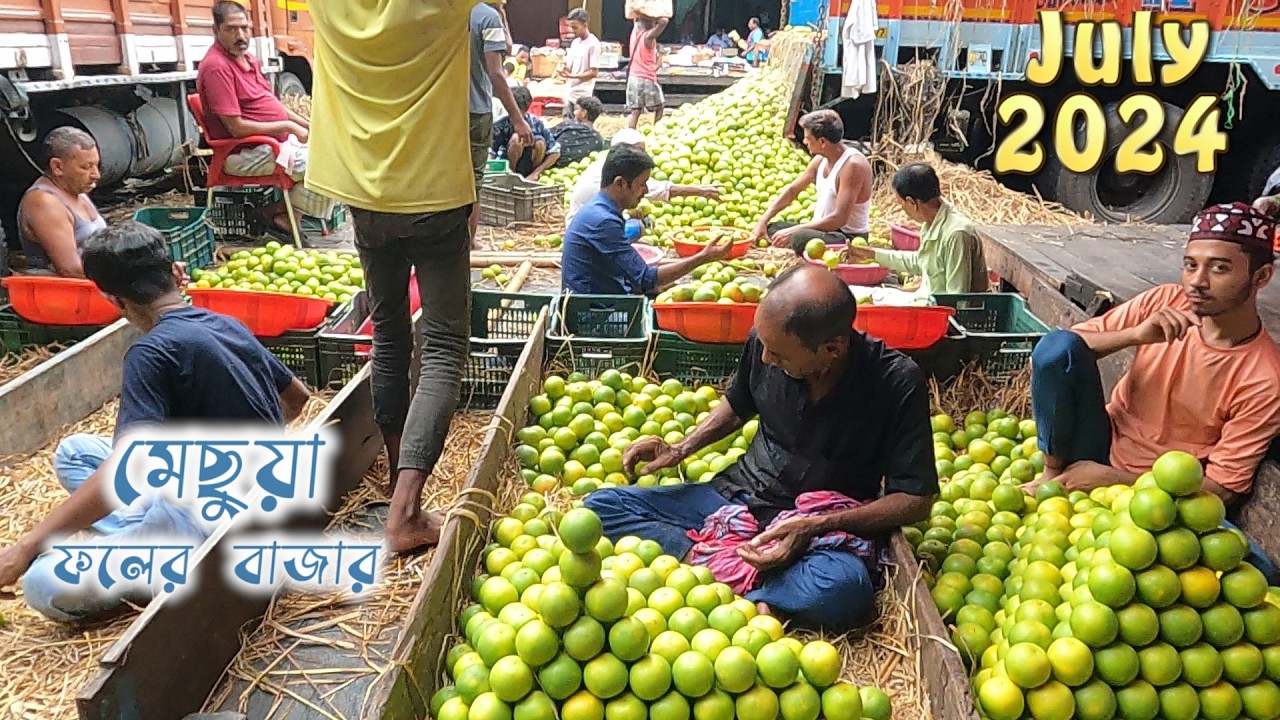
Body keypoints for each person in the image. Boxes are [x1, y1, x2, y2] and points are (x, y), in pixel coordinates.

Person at [584, 264, 937, 631]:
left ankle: (732, 578)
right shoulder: (768, 339)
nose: (766, 358)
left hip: (818, 528)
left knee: (846, 592)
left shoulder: (895, 382)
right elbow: (739, 403)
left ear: (831, 349)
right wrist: (681, 448)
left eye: (779, 355)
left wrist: (817, 525)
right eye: (764, 345)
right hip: (737, 498)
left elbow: (916, 499)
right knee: (601, 508)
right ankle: (736, 575)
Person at [0, 221, 311, 622]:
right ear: (178, 274)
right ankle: (142, 536)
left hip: (206, 528)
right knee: (75, 452)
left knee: (40, 584)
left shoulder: (151, 353)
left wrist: (25, 549)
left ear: (114, 300)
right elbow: (297, 397)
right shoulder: (225, 323)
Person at [1025, 201, 1280, 579]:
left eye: (1219, 268)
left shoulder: (1264, 377)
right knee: (1056, 346)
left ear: (1261, 277)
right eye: (1190, 265)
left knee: (1258, 571)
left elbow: (1221, 490)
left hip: (1164, 495)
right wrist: (1134, 335)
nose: (1197, 281)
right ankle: (1051, 474)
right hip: (1097, 444)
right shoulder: (1165, 302)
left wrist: (1111, 480)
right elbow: (1058, 354)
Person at [307, 1, 474, 554]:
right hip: (434, 193)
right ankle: (404, 511)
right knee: (443, 345)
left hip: (364, 197)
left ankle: (398, 471)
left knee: (390, 334)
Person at [195, 0, 331, 240]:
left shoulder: (249, 60)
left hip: (272, 145)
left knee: (336, 152)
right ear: (216, 30)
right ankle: (278, 214)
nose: (240, 35)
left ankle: (284, 215)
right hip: (243, 152)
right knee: (326, 165)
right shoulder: (217, 67)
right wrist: (288, 126)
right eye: (231, 29)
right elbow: (236, 128)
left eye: (244, 28)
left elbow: (274, 104)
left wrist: (306, 124)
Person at [562, 144, 730, 296]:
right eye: (642, 184)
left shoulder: (602, 209)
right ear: (620, 183)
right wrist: (703, 257)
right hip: (593, 308)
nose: (646, 190)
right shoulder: (603, 221)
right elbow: (646, 278)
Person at [846, 162, 989, 295]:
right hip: (926, 300)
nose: (903, 210)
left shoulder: (956, 234)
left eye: (901, 204)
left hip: (936, 308)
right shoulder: (932, 222)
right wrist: (870, 254)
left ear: (911, 202)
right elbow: (921, 262)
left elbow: (957, 298)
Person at [751, 110, 872, 256]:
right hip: (822, 231)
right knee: (773, 228)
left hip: (846, 237)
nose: (804, 141)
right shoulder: (820, 160)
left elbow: (839, 218)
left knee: (799, 238)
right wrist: (764, 219)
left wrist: (795, 230)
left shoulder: (852, 166)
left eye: (808, 138)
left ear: (822, 142)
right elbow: (793, 190)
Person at [565, 128, 719, 228]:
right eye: (637, 151)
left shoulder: (611, 167)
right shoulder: (606, 175)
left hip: (592, 224)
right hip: (586, 228)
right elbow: (654, 189)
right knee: (637, 228)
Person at [470, 0, 533, 242]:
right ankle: (470, 241)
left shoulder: (452, 10)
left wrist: (501, 12)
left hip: (444, 109)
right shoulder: (487, 17)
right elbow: (496, 73)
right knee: (473, 181)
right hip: (475, 109)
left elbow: (506, 47)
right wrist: (518, 119)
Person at [15, 127, 106, 277]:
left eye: (96, 165)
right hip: (64, 287)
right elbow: (71, 269)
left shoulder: (75, 190)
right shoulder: (45, 202)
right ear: (57, 167)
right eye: (85, 167)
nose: (96, 175)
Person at [491, 86, 561, 181]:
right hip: (507, 166)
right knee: (517, 139)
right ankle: (511, 176)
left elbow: (555, 152)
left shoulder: (537, 123)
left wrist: (536, 173)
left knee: (539, 141)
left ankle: (530, 176)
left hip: (530, 165)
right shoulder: (499, 125)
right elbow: (490, 152)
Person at [559, 9, 601, 117]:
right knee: (567, 121)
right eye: (571, 27)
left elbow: (593, 73)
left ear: (585, 25)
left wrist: (572, 76)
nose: (572, 31)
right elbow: (570, 66)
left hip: (583, 94)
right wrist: (563, 69)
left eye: (575, 27)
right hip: (569, 92)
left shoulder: (593, 44)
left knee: (581, 122)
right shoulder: (575, 43)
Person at [627, 17, 667, 129]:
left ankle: (630, 133)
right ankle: (656, 130)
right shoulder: (648, 37)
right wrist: (658, 18)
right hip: (646, 78)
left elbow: (636, 18)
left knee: (635, 112)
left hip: (633, 77)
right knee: (660, 107)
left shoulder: (635, 33)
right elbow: (663, 22)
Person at [551, 96, 606, 168]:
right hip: (575, 170)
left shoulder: (569, 125)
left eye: (577, 109)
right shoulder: (599, 140)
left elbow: (547, 136)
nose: (574, 113)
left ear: (584, 113)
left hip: (551, 165)